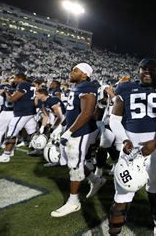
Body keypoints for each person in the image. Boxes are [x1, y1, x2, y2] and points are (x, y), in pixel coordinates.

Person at [107, 58, 156, 236]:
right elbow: (114, 120)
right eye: (144, 68)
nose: (147, 72)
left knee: (155, 191)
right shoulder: (124, 88)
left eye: (152, 69)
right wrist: (124, 140)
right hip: (130, 150)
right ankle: (114, 232)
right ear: (138, 70)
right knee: (122, 194)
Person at [51, 63, 106, 217]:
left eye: (75, 70)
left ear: (84, 74)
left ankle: (73, 202)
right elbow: (72, 111)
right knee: (76, 162)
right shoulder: (78, 87)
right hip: (75, 130)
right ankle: (96, 180)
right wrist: (63, 127)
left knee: (74, 165)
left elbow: (87, 112)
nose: (71, 72)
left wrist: (70, 132)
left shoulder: (87, 87)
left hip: (81, 132)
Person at [0, 72, 37, 163]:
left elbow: (12, 99)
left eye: (15, 78)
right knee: (33, 133)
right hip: (30, 112)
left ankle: (5, 156)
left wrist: (7, 93)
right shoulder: (31, 85)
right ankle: (41, 149)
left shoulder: (22, 84)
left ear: (19, 78)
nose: (14, 80)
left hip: (22, 112)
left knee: (11, 133)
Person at [0, 81, 15, 158]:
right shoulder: (15, 91)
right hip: (15, 114)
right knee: (12, 133)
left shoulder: (3, 93)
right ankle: (11, 151)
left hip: (5, 113)